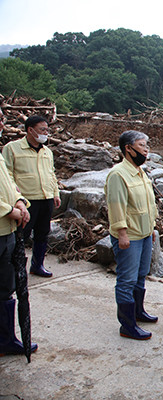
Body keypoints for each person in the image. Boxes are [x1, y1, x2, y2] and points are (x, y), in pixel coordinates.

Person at [104, 130, 158, 340]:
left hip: (144, 234)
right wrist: (122, 233)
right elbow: (116, 206)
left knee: (140, 275)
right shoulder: (118, 174)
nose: (146, 149)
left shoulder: (140, 171)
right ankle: (127, 325)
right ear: (128, 148)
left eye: (147, 145)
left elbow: (148, 204)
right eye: (142, 145)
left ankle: (138, 312)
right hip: (130, 236)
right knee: (127, 279)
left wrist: (152, 228)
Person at [2, 115, 61, 277]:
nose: (46, 133)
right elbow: (6, 174)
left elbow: (51, 174)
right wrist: (14, 196)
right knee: (22, 235)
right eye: (42, 129)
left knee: (42, 233)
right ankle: (16, 268)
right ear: (30, 130)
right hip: (26, 201)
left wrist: (55, 193)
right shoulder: (12, 148)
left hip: (46, 198)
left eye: (47, 130)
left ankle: (37, 265)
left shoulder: (47, 151)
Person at [0, 152, 38, 356]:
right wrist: (7, 210)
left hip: (7, 231)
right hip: (5, 221)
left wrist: (20, 202)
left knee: (6, 287)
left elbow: (8, 182)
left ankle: (5, 340)